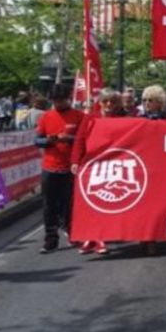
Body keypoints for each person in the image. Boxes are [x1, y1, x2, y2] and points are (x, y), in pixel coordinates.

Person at [70, 89, 126, 255]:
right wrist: (75, 161)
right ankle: (91, 237)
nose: (109, 105)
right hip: (91, 164)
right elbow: (80, 140)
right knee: (89, 201)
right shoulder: (90, 118)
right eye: (106, 101)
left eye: (113, 102)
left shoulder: (120, 119)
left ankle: (98, 238)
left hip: (112, 164)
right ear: (100, 102)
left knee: (104, 202)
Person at [34, 84, 85, 253]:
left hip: (71, 166)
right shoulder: (46, 117)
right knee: (49, 205)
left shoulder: (78, 116)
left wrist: (69, 138)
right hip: (50, 167)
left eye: (61, 100)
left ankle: (73, 233)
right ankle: (50, 239)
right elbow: (37, 140)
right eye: (55, 101)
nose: (58, 104)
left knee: (70, 203)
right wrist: (49, 141)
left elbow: (85, 137)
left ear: (68, 98)